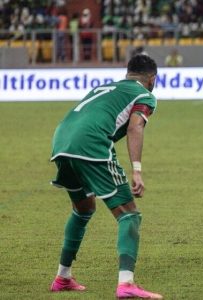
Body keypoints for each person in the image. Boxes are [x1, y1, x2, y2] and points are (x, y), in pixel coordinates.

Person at [49, 54, 163, 299]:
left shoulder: (105, 87)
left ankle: (63, 276)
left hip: (61, 142)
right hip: (91, 145)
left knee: (83, 209)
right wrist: (137, 169)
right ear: (153, 78)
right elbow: (135, 126)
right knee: (129, 214)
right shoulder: (144, 95)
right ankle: (126, 284)